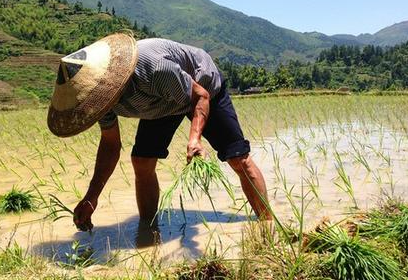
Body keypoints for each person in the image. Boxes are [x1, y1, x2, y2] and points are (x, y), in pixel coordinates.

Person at [47, 33, 271, 232]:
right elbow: (110, 145)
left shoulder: (152, 68)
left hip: (201, 87)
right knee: (141, 162)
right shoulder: (98, 102)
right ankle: (148, 230)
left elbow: (199, 96)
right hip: (161, 104)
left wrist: (195, 138)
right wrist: (91, 197)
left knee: (238, 158)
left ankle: (267, 223)